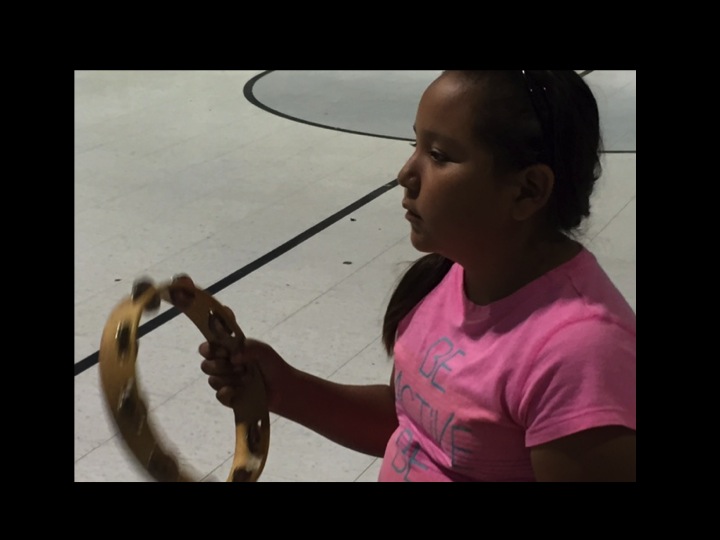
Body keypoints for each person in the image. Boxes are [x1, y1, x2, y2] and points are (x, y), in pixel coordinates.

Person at [198, 70, 636, 482]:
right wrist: (286, 388)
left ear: (528, 190)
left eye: (438, 156)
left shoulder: (579, 354)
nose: (405, 175)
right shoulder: (455, 273)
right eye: (416, 145)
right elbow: (414, 424)